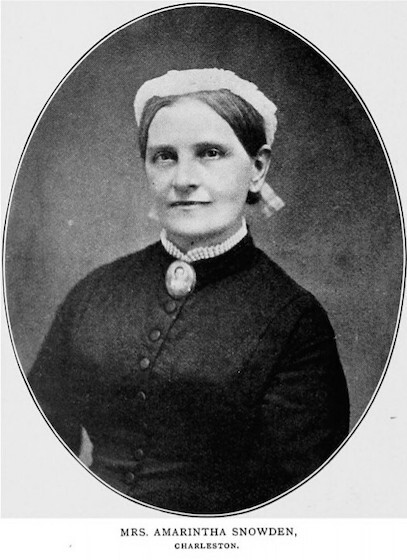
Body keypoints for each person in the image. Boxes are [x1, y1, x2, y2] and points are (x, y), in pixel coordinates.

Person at [28, 68, 349, 514]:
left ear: (257, 168)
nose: (183, 179)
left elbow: (303, 503)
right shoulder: (94, 295)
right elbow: (33, 455)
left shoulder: (294, 319)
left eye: (210, 153)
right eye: (164, 156)